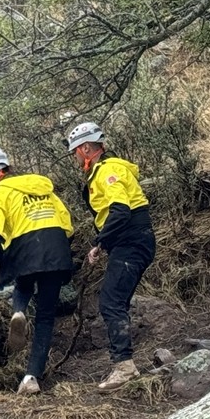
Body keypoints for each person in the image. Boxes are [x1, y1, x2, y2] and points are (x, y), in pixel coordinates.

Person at [65, 122, 155, 392]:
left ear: (85, 148)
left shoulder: (109, 171)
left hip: (132, 240)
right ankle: (125, 363)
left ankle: (124, 367)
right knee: (117, 301)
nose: (75, 158)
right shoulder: (105, 171)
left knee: (111, 301)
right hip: (131, 240)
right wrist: (105, 244)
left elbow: (120, 211)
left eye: (75, 152)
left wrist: (99, 241)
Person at [0, 147, 75, 395]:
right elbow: (67, 224)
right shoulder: (44, 189)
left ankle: (19, 311)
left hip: (26, 247)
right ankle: (32, 377)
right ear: (8, 168)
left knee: (22, 284)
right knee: (45, 317)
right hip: (56, 246)